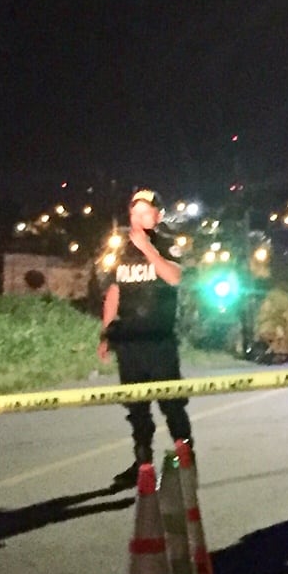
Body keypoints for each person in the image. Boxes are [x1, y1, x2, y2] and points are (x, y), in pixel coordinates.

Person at [99, 188, 191, 489]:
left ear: (158, 215)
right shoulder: (122, 249)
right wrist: (106, 331)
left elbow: (174, 278)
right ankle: (143, 463)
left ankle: (186, 460)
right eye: (134, 212)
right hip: (129, 342)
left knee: (172, 406)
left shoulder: (166, 244)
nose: (139, 217)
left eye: (146, 211)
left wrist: (149, 250)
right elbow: (114, 291)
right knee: (137, 408)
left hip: (159, 340)